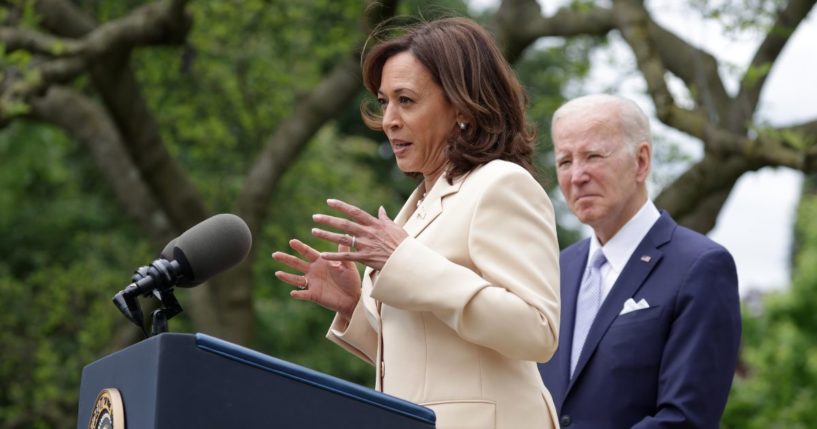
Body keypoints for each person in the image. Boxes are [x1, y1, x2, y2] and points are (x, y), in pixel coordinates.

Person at [272, 17, 561, 429]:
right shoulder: (418, 204)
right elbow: (430, 360)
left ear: (461, 107)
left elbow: (537, 330)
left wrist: (404, 262)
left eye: (406, 100)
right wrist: (357, 305)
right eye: (384, 100)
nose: (388, 119)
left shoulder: (501, 184)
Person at [537, 94, 742, 428]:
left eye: (593, 156)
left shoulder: (700, 266)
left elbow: (686, 419)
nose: (577, 176)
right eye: (564, 161)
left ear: (641, 161)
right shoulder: (556, 270)